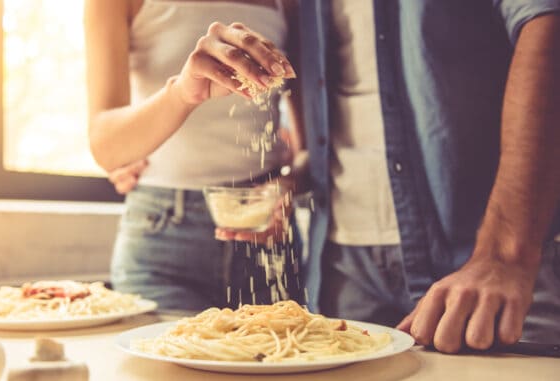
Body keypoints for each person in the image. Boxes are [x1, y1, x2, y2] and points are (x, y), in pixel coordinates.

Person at [294, 0, 560, 354]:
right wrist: (295, 173)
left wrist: (506, 251)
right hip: (343, 262)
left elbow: (545, 19)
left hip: (486, 261)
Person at [83, 0, 303, 311]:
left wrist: (287, 185)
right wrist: (183, 93)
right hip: (162, 239)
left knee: (289, 353)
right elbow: (104, 145)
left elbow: (311, 149)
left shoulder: (292, 4)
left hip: (267, 242)